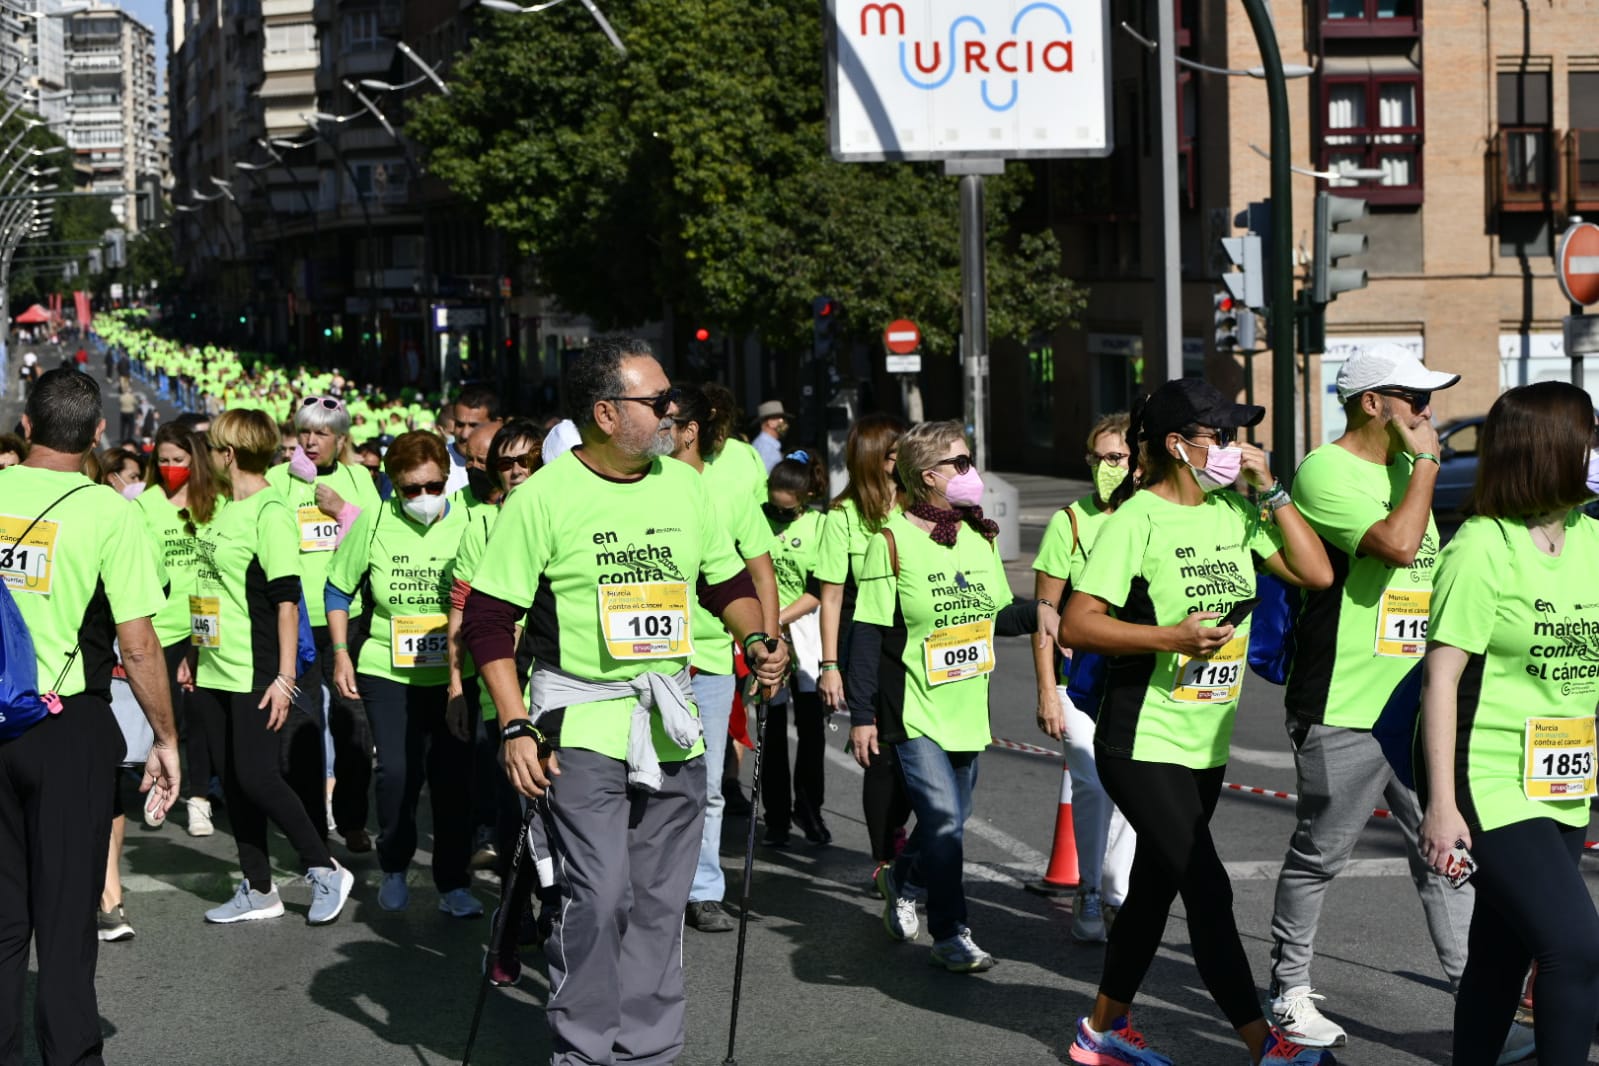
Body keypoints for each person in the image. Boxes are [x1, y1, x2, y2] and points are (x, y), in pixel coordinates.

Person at [461, 337, 788, 1066]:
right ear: (606, 413)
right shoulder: (543, 496)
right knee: (599, 895)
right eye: (657, 400)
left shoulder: (683, 485)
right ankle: (582, 1052)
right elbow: (488, 618)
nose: (673, 410)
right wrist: (513, 725)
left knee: (657, 906)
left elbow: (722, 582)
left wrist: (758, 639)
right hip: (575, 724)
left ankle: (647, 1053)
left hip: (669, 723)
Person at [1261, 347, 1536, 1057]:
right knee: (1319, 853)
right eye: (1411, 397)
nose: (1426, 410)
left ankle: (1479, 1004)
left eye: (1428, 397)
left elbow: (1433, 579)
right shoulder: (1326, 470)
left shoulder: (1401, 469)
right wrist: (1425, 465)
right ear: (1369, 403)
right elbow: (1397, 542)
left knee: (1445, 855)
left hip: (1414, 706)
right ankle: (1288, 988)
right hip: (1344, 703)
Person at [1059, 379, 1333, 1066]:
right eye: (1220, 436)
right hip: (1139, 737)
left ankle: (1102, 1029)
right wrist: (1168, 640)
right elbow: (1076, 624)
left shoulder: (1231, 514)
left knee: (1154, 889)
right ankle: (1263, 1046)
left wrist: (1269, 491)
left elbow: (1315, 571)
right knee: (1205, 887)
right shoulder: (1135, 520)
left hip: (1203, 737)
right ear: (1178, 445)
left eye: (1236, 435)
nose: (1233, 448)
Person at [0, 368, 179, 1063]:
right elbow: (136, 644)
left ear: (25, 427)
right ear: (99, 434)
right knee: (67, 917)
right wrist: (165, 737)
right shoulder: (111, 512)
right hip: (63, 723)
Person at [1418, 382, 1599, 1066]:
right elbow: (1440, 678)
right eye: (1590, 435)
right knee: (1574, 947)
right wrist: (1439, 806)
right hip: (1484, 775)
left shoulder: (1591, 537)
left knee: (1502, 949)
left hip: (1562, 776)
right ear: (1550, 449)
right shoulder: (1479, 548)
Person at [846, 420, 1034, 973]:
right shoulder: (890, 543)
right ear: (929, 476)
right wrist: (862, 716)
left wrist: (1052, 608)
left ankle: (901, 880)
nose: (971, 472)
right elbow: (867, 635)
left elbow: (1000, 614)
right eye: (961, 462)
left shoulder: (980, 537)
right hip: (914, 711)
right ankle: (951, 934)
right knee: (948, 825)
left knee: (945, 823)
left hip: (967, 708)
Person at [192, 409, 355, 926]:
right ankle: (258, 887)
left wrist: (285, 678)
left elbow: (287, 603)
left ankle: (324, 868)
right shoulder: (219, 509)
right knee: (236, 784)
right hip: (214, 663)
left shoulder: (271, 512)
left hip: (257, 666)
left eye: (213, 448)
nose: (210, 458)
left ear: (229, 454)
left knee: (259, 777)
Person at [326, 431, 480, 917]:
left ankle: (453, 883)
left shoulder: (472, 523)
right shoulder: (372, 522)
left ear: (446, 479)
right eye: (410, 489)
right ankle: (393, 865)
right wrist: (340, 654)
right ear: (393, 484)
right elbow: (337, 590)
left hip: (456, 673)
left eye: (432, 486)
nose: (423, 498)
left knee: (453, 780)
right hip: (386, 670)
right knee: (397, 772)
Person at [665, 383, 780, 933]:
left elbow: (761, 574)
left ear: (688, 431)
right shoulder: (640, 485)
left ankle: (703, 889)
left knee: (707, 783)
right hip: (643, 660)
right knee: (645, 779)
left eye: (666, 422)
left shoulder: (729, 491)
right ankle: (650, 882)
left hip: (710, 657)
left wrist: (769, 645)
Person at [1032, 412, 1137, 944]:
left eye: (1119, 457)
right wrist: (1047, 690)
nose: (1109, 467)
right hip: (1078, 679)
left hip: (1137, 677)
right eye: (1101, 458)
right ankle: (1091, 889)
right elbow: (1045, 614)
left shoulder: (1150, 516)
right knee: (1094, 780)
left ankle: (1117, 889)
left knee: (1133, 786)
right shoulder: (1069, 522)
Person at [267, 395, 381, 853]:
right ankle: (311, 829)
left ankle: (353, 820)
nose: (311, 442)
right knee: (300, 727)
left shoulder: (359, 479)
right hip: (294, 621)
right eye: (304, 432)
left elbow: (376, 539)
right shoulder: (277, 480)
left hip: (347, 621)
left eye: (322, 434)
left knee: (354, 726)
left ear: (341, 439)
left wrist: (343, 511)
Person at [816, 413, 910, 886]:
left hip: (915, 640)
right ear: (875, 460)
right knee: (880, 751)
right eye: (894, 453)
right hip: (865, 641)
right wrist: (830, 665)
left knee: (921, 746)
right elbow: (831, 596)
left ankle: (905, 834)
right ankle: (886, 856)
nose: (903, 460)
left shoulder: (916, 505)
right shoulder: (843, 516)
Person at [134, 424, 225, 839]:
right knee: (166, 719)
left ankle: (199, 799)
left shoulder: (216, 502)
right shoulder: (145, 505)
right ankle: (159, 784)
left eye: (179, 460)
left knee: (204, 717)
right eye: (164, 460)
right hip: (163, 625)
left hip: (209, 620)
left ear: (196, 461)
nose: (171, 468)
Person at [760, 453, 831, 847]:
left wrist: (782, 617)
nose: (779, 514)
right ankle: (776, 818)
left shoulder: (820, 526)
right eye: (775, 506)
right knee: (770, 729)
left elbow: (819, 589)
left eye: (787, 509)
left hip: (806, 632)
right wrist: (768, 623)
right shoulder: (757, 518)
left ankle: (809, 808)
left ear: (804, 498)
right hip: (765, 631)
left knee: (811, 729)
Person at [446, 383, 502, 494]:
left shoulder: (512, 464)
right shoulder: (437, 461)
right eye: (460, 425)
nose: (464, 435)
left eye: (474, 426)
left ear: (497, 424)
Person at [752, 399, 791, 473]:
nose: (782, 421)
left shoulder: (764, 444)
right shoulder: (766, 448)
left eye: (782, 418)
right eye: (778, 418)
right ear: (769, 422)